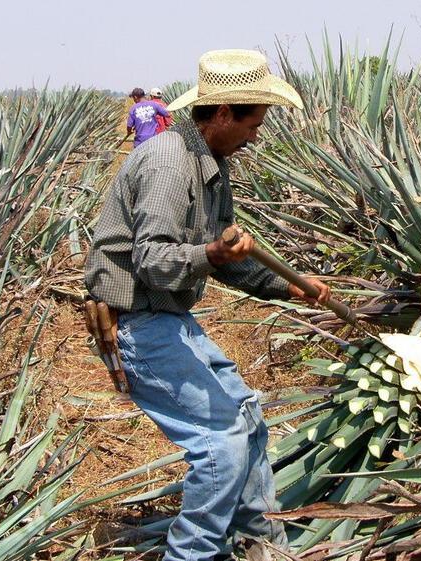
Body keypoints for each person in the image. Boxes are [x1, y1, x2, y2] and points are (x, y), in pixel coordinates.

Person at [86, 50, 330, 561]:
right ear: (223, 114)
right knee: (219, 445)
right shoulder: (169, 162)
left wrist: (291, 287)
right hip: (139, 320)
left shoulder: (210, 163)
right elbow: (154, 261)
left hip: (167, 314)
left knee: (248, 418)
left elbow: (227, 257)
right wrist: (211, 252)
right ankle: (193, 555)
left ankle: (262, 544)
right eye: (252, 123)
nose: (255, 136)